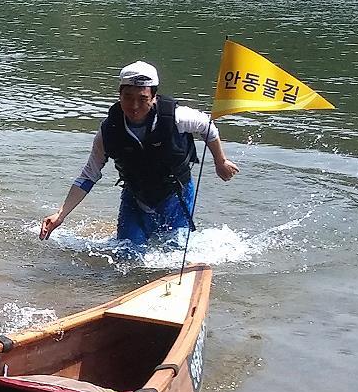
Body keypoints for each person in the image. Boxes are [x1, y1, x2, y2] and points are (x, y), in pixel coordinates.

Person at [38, 60, 239, 252]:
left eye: (142, 99)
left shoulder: (177, 117)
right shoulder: (109, 131)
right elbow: (89, 175)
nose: (134, 106)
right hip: (135, 197)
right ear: (119, 95)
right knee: (127, 254)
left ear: (153, 97)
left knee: (175, 251)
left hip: (176, 194)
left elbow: (208, 127)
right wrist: (61, 214)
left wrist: (220, 161)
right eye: (128, 97)